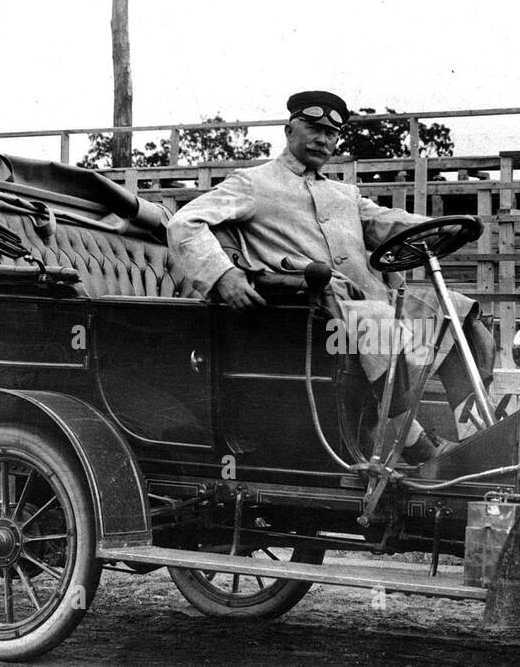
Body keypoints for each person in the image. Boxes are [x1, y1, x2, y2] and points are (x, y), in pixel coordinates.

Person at [166, 90, 495, 464]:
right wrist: (223, 275)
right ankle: (415, 443)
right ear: (289, 130)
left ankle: (479, 438)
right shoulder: (253, 183)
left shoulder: (344, 193)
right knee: (379, 322)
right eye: (313, 128)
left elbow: (386, 223)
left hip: (370, 309)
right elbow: (184, 222)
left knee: (461, 314)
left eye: (332, 134)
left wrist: (443, 227)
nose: (324, 139)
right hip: (321, 317)